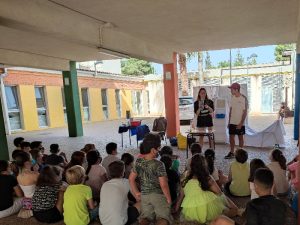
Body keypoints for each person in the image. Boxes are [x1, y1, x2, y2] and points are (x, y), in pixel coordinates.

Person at [175, 154, 239, 224]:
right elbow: (219, 193)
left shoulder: (185, 176)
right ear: (204, 165)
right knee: (222, 198)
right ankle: (236, 209)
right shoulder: (207, 177)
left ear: (191, 165)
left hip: (190, 210)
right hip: (208, 207)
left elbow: (181, 196)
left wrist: (176, 209)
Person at [129, 133, 172, 225]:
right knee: (163, 218)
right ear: (153, 150)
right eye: (158, 148)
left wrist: (136, 193)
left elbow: (131, 179)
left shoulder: (138, 162)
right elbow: (164, 185)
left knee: (145, 218)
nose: (159, 150)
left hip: (145, 196)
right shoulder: (159, 164)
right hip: (158, 196)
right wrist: (168, 198)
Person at [100, 161, 140, 225]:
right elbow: (138, 198)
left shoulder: (105, 184)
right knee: (142, 203)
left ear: (109, 173)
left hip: (104, 221)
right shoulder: (127, 182)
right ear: (123, 173)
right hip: (120, 222)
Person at [225, 82, 248, 159]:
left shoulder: (243, 98)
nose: (230, 90)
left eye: (231, 89)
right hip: (232, 122)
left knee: (240, 138)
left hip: (240, 123)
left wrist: (241, 123)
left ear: (236, 89)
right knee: (231, 138)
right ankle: (232, 152)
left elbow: (245, 112)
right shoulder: (232, 98)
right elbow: (230, 110)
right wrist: (229, 122)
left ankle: (240, 153)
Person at [16, 151, 39, 218]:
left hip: (26, 203)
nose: (33, 160)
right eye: (31, 159)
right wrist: (37, 171)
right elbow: (43, 186)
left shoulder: (18, 176)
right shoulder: (35, 174)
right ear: (26, 163)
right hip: (36, 202)